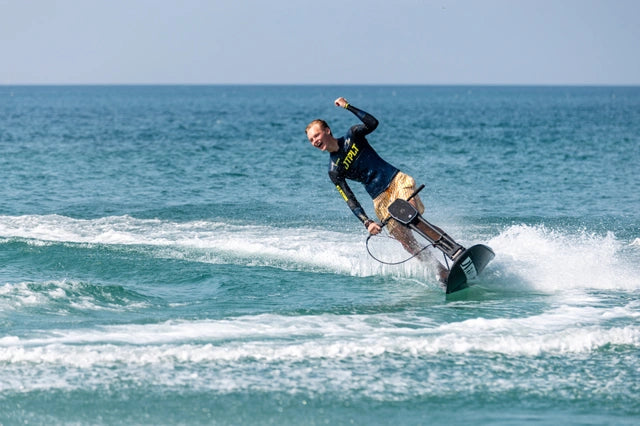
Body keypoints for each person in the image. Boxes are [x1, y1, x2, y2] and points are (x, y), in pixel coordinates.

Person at [306, 97, 448, 281]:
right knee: (405, 240)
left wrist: (347, 106)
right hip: (380, 200)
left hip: (395, 181)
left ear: (327, 131)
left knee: (411, 215)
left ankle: (454, 249)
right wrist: (367, 222)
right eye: (311, 140)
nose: (314, 141)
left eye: (316, 135)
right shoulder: (334, 170)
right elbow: (349, 198)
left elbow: (372, 123)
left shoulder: (352, 135)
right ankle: (440, 271)